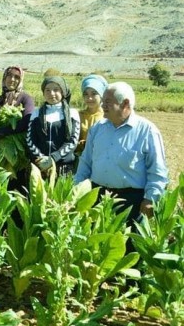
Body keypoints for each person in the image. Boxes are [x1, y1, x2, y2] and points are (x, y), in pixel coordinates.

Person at [75, 82, 168, 223]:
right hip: (98, 197)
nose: (102, 106)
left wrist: (150, 198)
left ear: (125, 104)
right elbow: (86, 162)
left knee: (129, 244)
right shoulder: (97, 128)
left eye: (108, 102)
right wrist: (77, 190)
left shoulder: (147, 131)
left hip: (131, 202)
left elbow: (157, 170)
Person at [0, 65, 35, 192]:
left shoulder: (26, 99)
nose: (12, 79)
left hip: (18, 152)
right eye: (9, 76)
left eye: (16, 77)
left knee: (17, 185)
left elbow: (26, 121)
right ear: (4, 78)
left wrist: (6, 132)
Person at [26, 75, 80, 177]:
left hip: (64, 168)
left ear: (63, 92)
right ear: (43, 93)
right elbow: (30, 140)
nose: (52, 93)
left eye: (56, 90)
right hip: (40, 167)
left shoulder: (72, 114)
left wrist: (53, 158)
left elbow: (72, 141)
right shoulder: (36, 113)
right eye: (47, 90)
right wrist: (41, 159)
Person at [76, 74, 108, 156]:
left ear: (101, 95)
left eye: (94, 94)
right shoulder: (78, 116)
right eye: (86, 94)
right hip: (81, 158)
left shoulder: (108, 116)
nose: (89, 98)